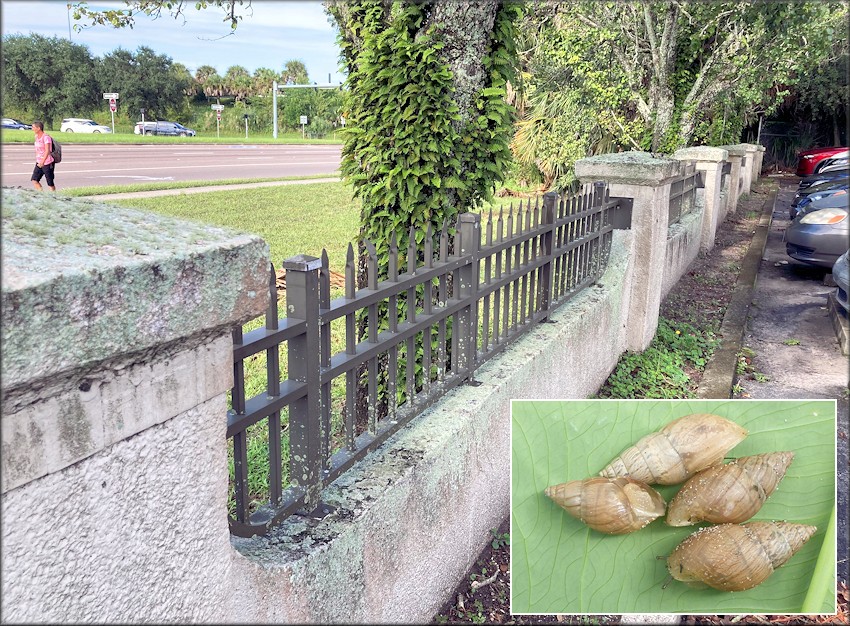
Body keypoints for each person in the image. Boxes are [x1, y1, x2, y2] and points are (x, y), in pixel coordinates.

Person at [31, 120, 55, 191]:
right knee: (34, 180)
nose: (32, 129)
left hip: (47, 162)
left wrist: (42, 162)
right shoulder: (36, 137)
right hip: (39, 162)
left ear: (38, 128)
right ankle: (42, 195)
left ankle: (53, 197)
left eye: (33, 127)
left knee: (50, 183)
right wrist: (39, 160)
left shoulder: (46, 137)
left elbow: (47, 151)